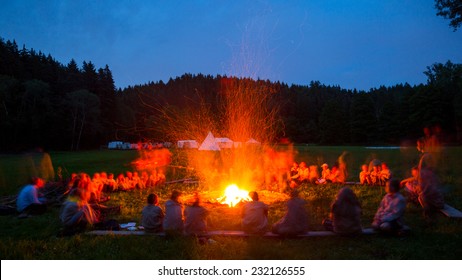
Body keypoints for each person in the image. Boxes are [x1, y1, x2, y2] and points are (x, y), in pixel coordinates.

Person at [417, 153, 444, 218]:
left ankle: (428, 211)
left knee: (421, 197)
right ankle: (430, 208)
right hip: (440, 201)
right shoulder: (432, 172)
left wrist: (420, 191)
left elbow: (424, 187)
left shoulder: (423, 173)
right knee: (423, 195)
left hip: (435, 201)